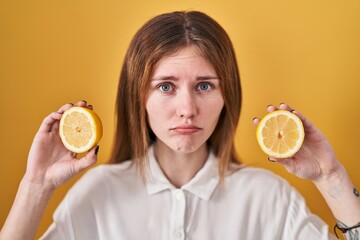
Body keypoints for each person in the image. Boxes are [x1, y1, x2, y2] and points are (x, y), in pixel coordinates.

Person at [1, 11, 359, 240]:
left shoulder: (268, 198)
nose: (187, 109)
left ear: (226, 96)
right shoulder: (97, 194)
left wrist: (331, 177)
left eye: (204, 86)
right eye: (165, 87)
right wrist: (36, 185)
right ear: (137, 96)